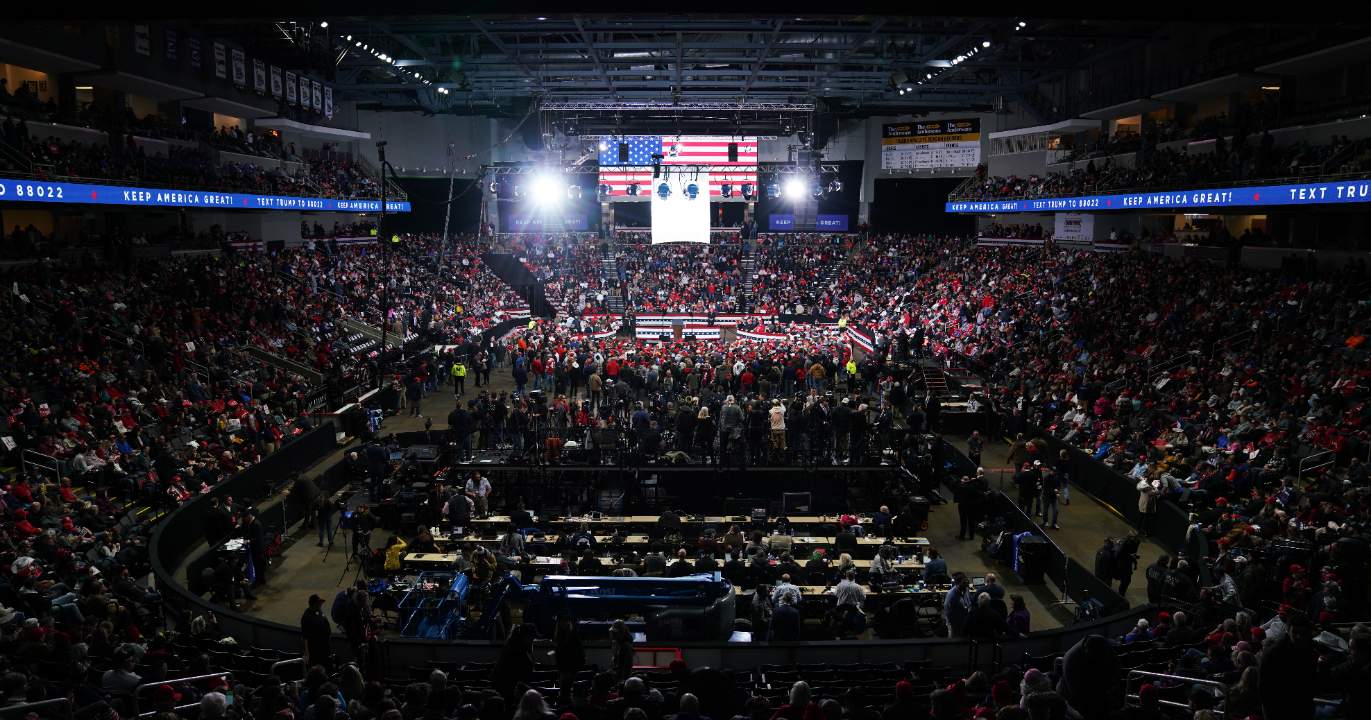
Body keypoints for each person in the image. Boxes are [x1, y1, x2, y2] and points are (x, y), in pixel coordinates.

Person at [552, 615, 585, 703]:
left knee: (565, 694)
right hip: (567, 669)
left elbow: (577, 654)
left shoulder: (568, 635)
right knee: (567, 693)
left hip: (568, 669)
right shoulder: (569, 634)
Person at [301, 594, 333, 671]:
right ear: (314, 604)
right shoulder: (306, 617)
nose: (320, 605)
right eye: (319, 603)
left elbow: (325, 622)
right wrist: (307, 654)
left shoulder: (318, 611)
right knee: (319, 666)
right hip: (316, 648)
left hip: (325, 646)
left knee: (327, 664)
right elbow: (305, 637)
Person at [943, 573, 973, 637]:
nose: (966, 585)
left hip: (964, 620)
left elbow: (969, 602)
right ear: (957, 584)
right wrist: (951, 625)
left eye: (967, 582)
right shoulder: (951, 595)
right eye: (964, 583)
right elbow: (947, 611)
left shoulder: (966, 590)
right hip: (954, 623)